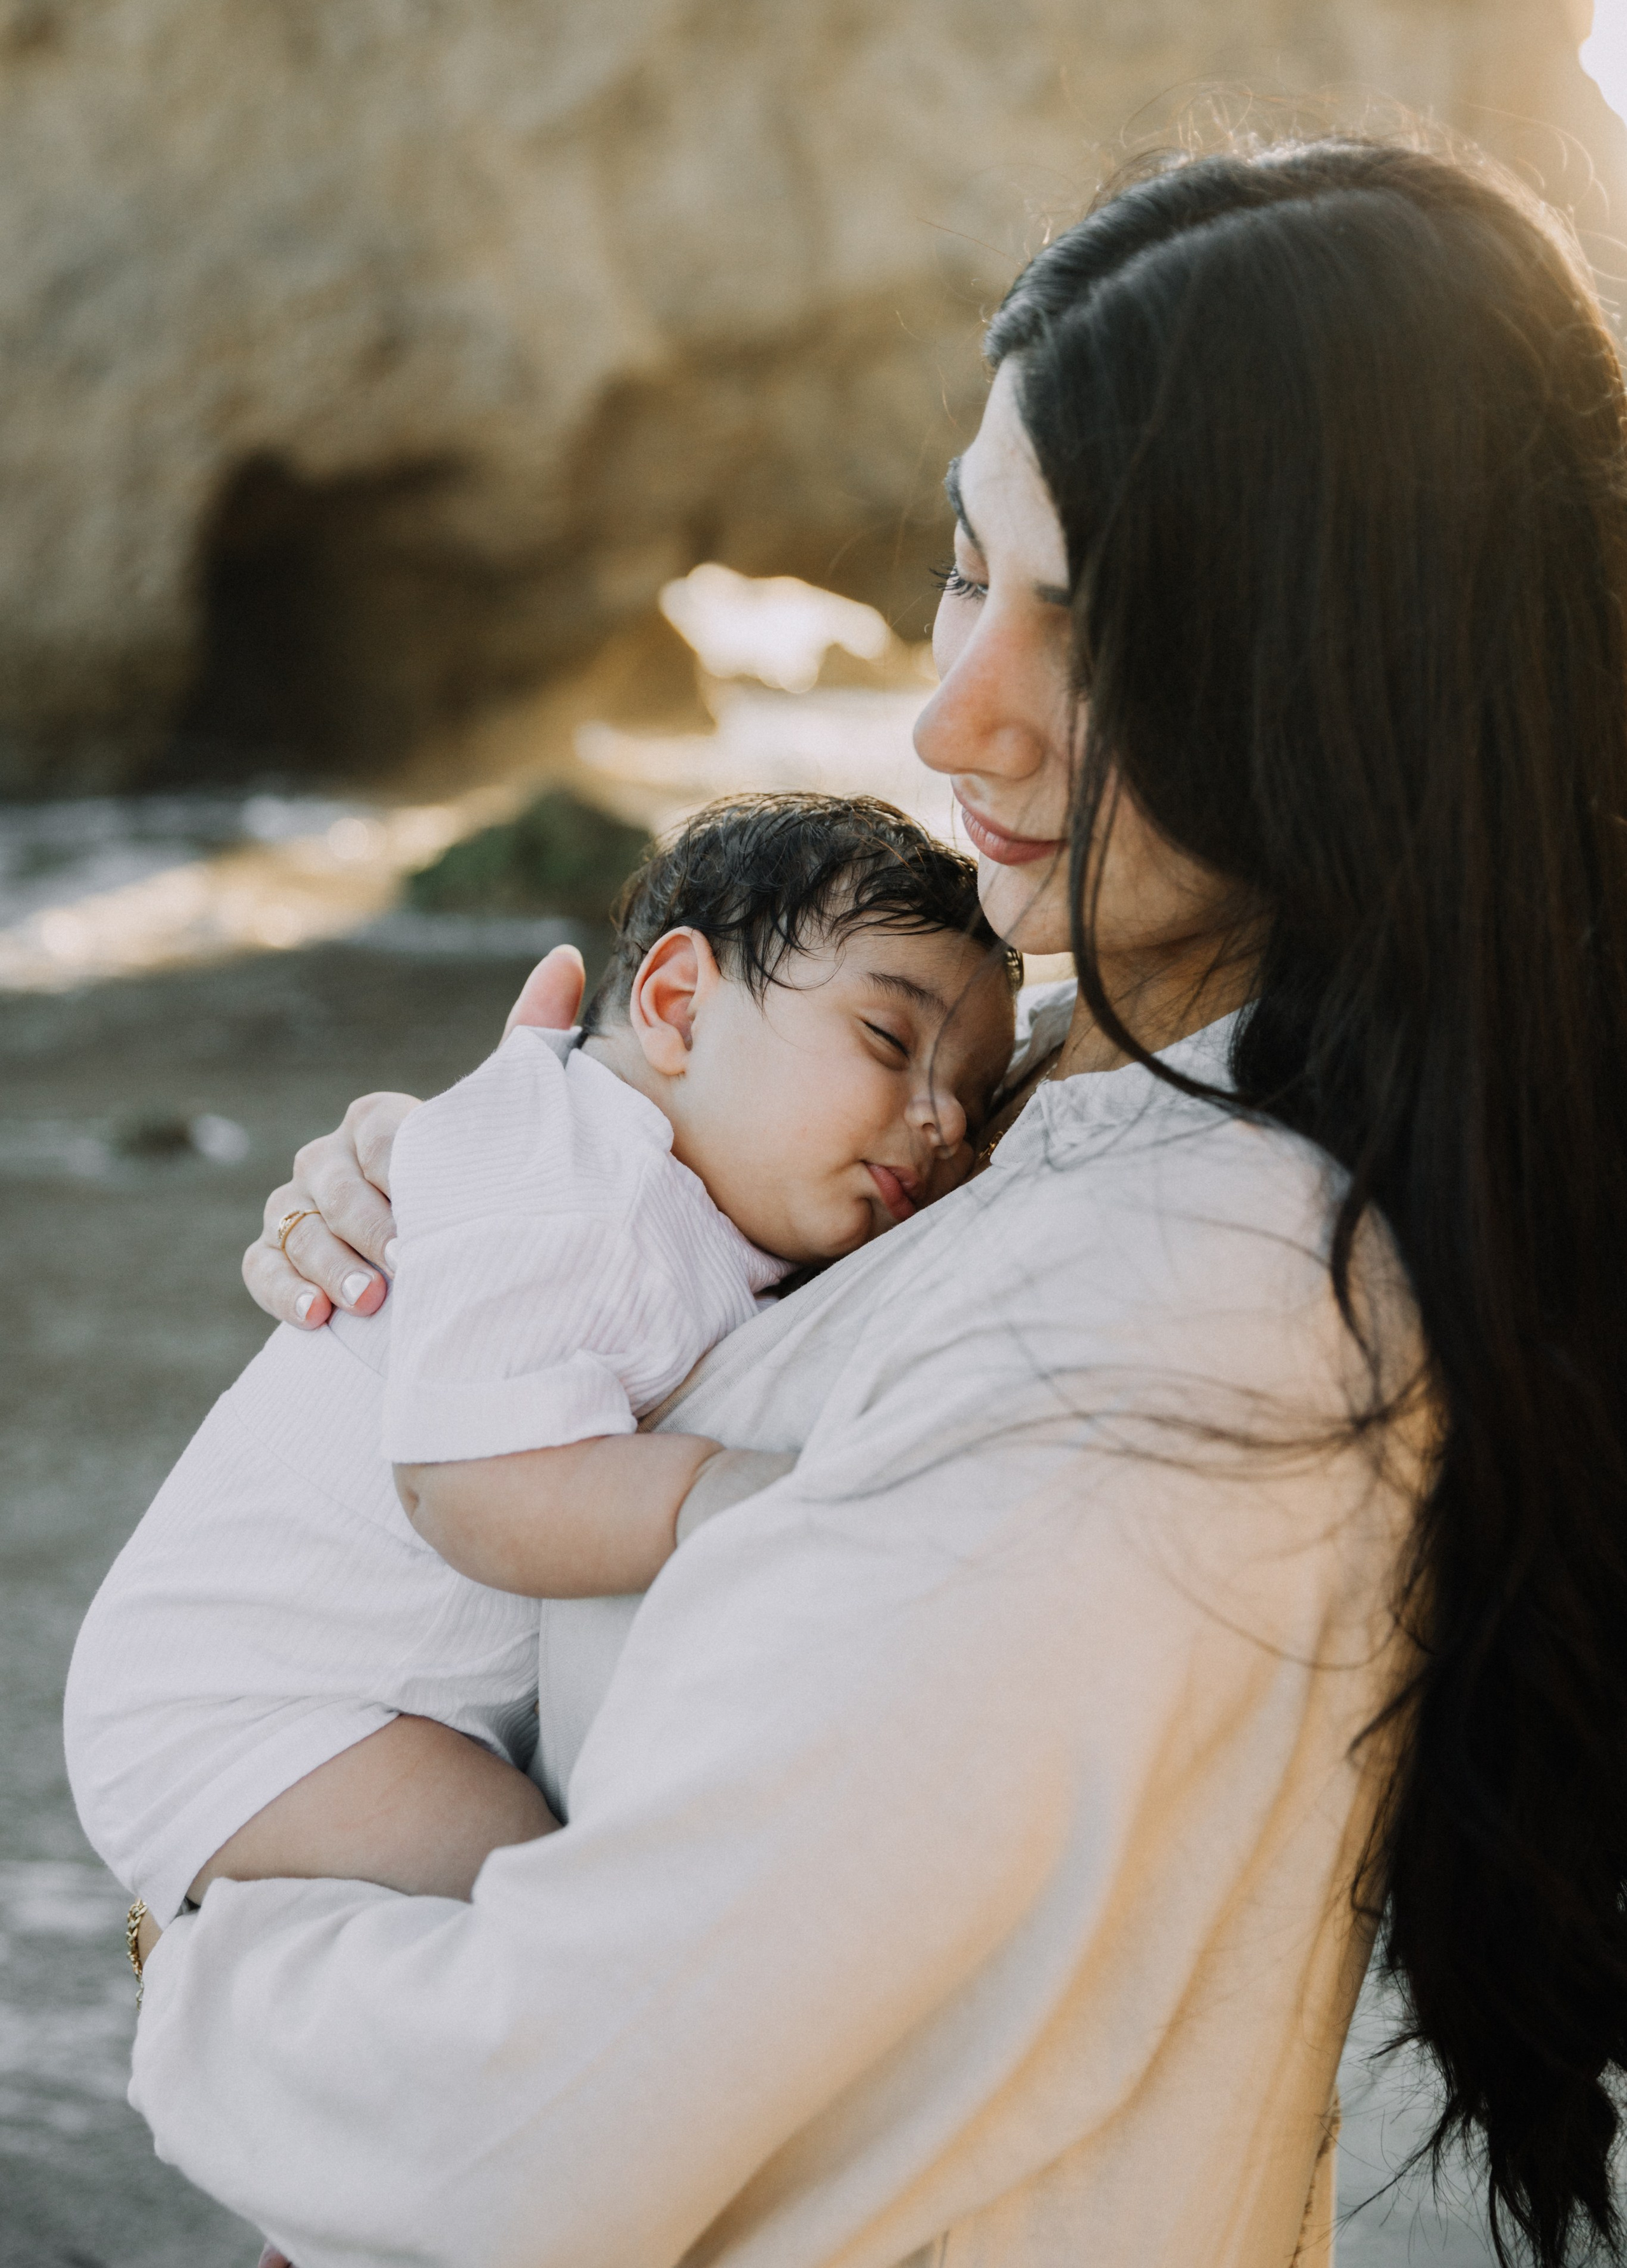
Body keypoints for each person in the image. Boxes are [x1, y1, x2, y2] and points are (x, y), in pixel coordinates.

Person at [123, 135, 1627, 2268]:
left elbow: (506, 2136)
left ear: (1349, 676)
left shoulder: (1175, 1324)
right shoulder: (1016, 1123)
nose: (950, 715)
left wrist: (201, 1947)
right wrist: (485, 1212)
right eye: (959, 569)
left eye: (1090, 629)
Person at [65, 795, 1016, 1925]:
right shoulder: (578, 1188)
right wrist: (712, 1496)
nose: (944, 1124)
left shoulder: (683, 1193)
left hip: (318, 1706)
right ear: (675, 1005)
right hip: (252, 1712)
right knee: (561, 1919)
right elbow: (465, 1482)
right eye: (889, 1044)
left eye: (971, 1090)